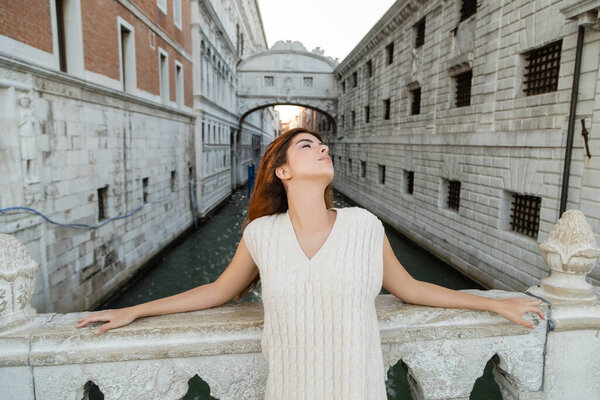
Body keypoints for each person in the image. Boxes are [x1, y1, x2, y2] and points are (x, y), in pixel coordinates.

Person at [76, 127, 545, 399]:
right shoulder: (261, 234)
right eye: (307, 146)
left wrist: (497, 305)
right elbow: (216, 292)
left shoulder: (364, 224)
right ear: (282, 171)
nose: (323, 148)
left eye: (323, 146)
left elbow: (413, 289)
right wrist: (134, 310)